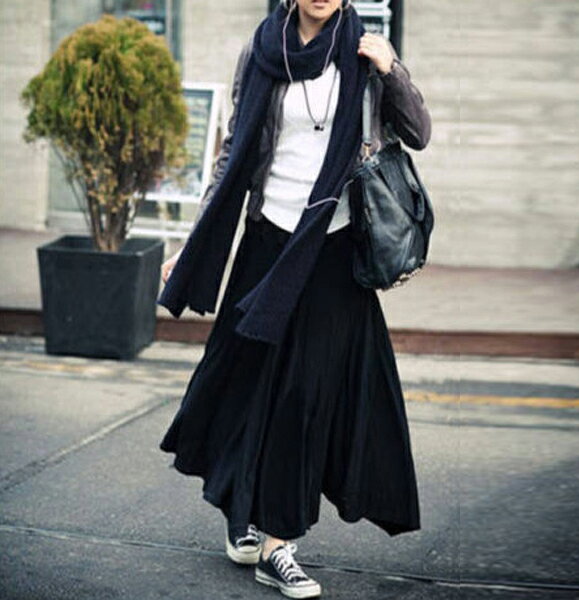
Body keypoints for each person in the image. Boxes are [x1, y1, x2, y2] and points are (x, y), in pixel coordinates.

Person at [158, 0, 431, 597]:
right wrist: (196, 241)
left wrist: (392, 70)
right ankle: (243, 512)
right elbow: (233, 154)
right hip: (266, 241)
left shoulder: (364, 53)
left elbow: (418, 133)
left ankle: (277, 545)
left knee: (306, 395)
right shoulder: (261, 52)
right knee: (244, 387)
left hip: (331, 249)